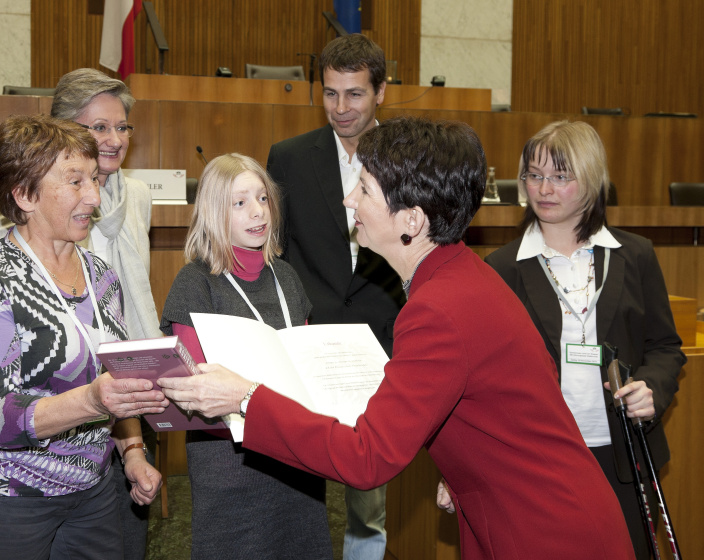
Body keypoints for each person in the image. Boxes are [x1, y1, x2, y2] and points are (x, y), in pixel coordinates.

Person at [159, 116, 637, 560]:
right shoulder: (461, 276)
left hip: (546, 534)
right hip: (538, 514)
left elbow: (367, 458)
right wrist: (467, 463)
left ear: (411, 219)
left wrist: (247, 397)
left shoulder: (437, 308)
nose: (349, 202)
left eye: (363, 189)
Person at [0, 114, 168, 560]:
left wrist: (133, 453)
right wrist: (94, 401)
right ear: (25, 195)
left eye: (94, 180)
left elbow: (115, 380)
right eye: (75, 182)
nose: (94, 195)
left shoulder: (101, 277)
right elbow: (1, 421)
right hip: (5, 496)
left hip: (93, 491)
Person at [484, 120, 685, 559]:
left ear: (592, 181)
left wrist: (652, 387)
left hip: (623, 452)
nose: (544, 188)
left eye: (560, 176)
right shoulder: (501, 267)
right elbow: (486, 377)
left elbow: (666, 347)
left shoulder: (635, 255)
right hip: (537, 457)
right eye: (534, 175)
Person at [266, 33, 404, 560]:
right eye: (330, 94)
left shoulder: (407, 157)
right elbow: (275, 251)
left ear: (382, 92)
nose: (341, 108)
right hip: (309, 340)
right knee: (300, 482)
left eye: (355, 95)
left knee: (369, 493)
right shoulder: (290, 158)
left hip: (384, 340)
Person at [159, 154, 333, 560]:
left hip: (296, 458)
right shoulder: (196, 283)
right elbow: (196, 393)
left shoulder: (286, 276)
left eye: (262, 198)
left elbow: (303, 365)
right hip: (232, 468)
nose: (258, 212)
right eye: (240, 203)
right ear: (213, 212)